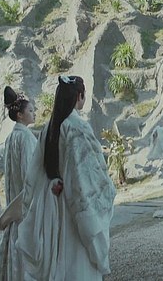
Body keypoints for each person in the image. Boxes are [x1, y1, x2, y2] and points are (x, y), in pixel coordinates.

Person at [17, 75, 116, 281]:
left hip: (52, 205)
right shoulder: (77, 127)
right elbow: (85, 176)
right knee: (77, 264)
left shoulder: (49, 127)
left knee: (57, 262)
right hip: (73, 208)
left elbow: (36, 171)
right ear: (79, 96)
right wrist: (106, 191)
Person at [0, 87, 37, 281]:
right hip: (24, 202)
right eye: (30, 110)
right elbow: (29, 175)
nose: (34, 113)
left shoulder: (11, 138)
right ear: (20, 115)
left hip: (14, 198)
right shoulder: (25, 138)